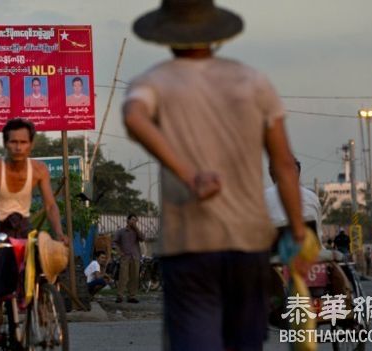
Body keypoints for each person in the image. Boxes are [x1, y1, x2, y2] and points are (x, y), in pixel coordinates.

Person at [122, 1, 313, 349]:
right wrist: (298, 234)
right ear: (216, 35)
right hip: (248, 244)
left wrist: (189, 176)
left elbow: (135, 118)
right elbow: (283, 165)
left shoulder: (153, 81)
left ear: (167, 35)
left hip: (189, 245)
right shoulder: (253, 81)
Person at [0, 118, 68, 244]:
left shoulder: (39, 169)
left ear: (31, 144)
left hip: (24, 228)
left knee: (39, 258)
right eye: (13, 142)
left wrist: (59, 233)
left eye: (23, 142)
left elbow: (50, 205)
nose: (18, 147)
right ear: (5, 143)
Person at [113, 214, 145, 303]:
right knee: (123, 276)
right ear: (127, 220)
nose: (134, 222)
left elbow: (143, 238)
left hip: (135, 256)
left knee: (134, 277)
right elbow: (114, 243)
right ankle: (120, 296)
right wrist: (119, 252)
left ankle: (132, 296)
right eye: (132, 220)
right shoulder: (121, 232)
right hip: (125, 257)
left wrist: (136, 228)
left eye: (136, 220)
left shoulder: (137, 232)